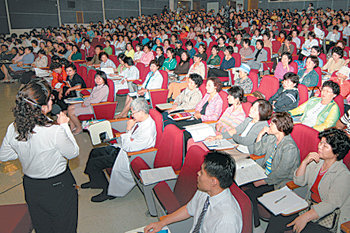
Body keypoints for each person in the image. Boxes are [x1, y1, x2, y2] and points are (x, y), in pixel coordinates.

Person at [0, 79, 79, 233]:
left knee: (42, 226)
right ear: (43, 107)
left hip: (32, 186)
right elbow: (73, 152)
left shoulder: (14, 127)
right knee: (65, 226)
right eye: (50, 98)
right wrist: (64, 125)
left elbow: (4, 155)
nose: (53, 100)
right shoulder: (54, 131)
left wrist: (26, 151)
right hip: (58, 187)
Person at [265, 128, 350, 233]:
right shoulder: (317, 162)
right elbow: (298, 182)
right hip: (309, 207)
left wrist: (305, 217)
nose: (319, 146)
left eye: (325, 145)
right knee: (277, 218)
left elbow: (330, 204)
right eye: (321, 142)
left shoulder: (343, 175)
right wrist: (304, 162)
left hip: (328, 217)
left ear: (337, 152)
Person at [144, 151, 243, 233]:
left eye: (202, 172)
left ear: (213, 181)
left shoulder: (227, 220)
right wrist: (162, 223)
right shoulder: (205, 191)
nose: (198, 173)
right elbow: (188, 209)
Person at [81, 98, 156, 202]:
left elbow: (129, 148)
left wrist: (128, 129)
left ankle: (107, 191)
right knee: (94, 152)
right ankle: (95, 181)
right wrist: (128, 134)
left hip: (130, 156)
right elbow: (129, 142)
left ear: (142, 112)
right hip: (123, 148)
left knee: (95, 163)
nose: (132, 115)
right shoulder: (142, 120)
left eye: (133, 112)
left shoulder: (147, 130)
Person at [244, 112, 300, 227]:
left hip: (277, 182)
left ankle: (255, 223)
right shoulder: (272, 138)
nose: (269, 125)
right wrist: (260, 134)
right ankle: (255, 220)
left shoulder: (289, 147)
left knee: (250, 194)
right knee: (243, 186)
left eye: (272, 124)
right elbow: (257, 151)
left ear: (280, 127)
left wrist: (263, 181)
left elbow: (281, 173)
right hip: (265, 173)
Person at [188, 86, 247, 151]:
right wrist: (218, 130)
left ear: (236, 99)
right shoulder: (229, 109)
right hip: (218, 133)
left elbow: (229, 132)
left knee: (196, 145)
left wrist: (217, 134)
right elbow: (219, 123)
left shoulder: (240, 115)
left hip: (225, 139)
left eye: (230, 96)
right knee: (192, 140)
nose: (227, 97)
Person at [67, 70, 109, 135]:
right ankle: (72, 127)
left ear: (104, 79)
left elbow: (96, 100)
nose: (97, 80)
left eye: (99, 78)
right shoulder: (96, 87)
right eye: (96, 78)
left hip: (95, 107)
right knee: (70, 107)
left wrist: (86, 103)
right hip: (89, 104)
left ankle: (79, 127)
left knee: (71, 112)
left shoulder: (104, 88)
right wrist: (85, 102)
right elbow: (90, 97)